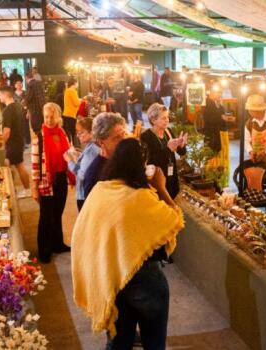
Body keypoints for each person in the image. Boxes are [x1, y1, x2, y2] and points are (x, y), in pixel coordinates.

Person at [71, 138, 183, 349]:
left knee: (119, 340)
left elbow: (82, 232)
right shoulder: (141, 198)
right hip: (146, 279)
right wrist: (161, 187)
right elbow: (174, 219)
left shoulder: (100, 191)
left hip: (113, 277)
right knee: (154, 341)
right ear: (139, 165)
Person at [30, 103, 73, 263]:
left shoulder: (62, 133)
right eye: (46, 116)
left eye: (52, 116)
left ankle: (57, 243)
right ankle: (44, 250)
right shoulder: (39, 138)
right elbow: (35, 165)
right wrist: (34, 188)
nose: (49, 120)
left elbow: (68, 154)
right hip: (46, 180)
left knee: (58, 213)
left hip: (61, 178)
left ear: (58, 117)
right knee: (46, 216)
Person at [142, 104, 187, 199]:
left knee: (172, 197)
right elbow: (149, 161)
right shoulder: (146, 136)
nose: (167, 120)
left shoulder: (168, 131)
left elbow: (181, 152)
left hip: (171, 174)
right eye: (163, 118)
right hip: (158, 178)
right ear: (153, 120)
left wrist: (181, 146)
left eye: (167, 117)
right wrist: (168, 149)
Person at [82, 112, 126, 198]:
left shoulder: (124, 160)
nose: (123, 140)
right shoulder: (94, 175)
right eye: (116, 138)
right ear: (101, 142)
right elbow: (90, 209)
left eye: (123, 134)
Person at [0, 86, 31, 196]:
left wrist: (1, 144)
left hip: (12, 143)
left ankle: (15, 190)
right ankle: (25, 189)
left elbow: (7, 131)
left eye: (0, 94)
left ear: (6, 95)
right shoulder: (17, 105)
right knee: (18, 165)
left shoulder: (7, 110)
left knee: (9, 165)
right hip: (19, 140)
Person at [202, 85, 233, 187]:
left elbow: (221, 115)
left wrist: (227, 118)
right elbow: (208, 119)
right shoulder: (206, 103)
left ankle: (221, 182)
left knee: (222, 159)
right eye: (217, 92)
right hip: (213, 135)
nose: (219, 94)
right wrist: (221, 117)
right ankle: (212, 182)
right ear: (211, 92)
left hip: (222, 134)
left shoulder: (218, 103)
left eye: (220, 92)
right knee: (213, 158)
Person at [66, 117, 99, 211]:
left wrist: (69, 161)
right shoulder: (92, 146)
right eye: (77, 132)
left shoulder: (91, 151)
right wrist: (81, 155)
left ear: (91, 132)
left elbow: (81, 175)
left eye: (81, 132)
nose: (78, 135)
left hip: (84, 195)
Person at [62, 77, 81, 144]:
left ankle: (71, 147)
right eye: (77, 83)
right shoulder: (72, 91)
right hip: (70, 115)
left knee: (69, 133)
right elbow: (77, 103)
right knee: (73, 133)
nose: (78, 84)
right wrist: (82, 100)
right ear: (74, 83)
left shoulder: (67, 90)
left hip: (67, 114)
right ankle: (73, 149)